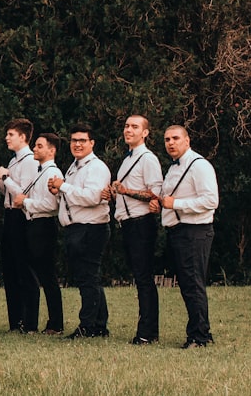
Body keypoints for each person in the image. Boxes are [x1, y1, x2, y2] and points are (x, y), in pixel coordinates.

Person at [153, 125, 219, 349]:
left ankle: (199, 337)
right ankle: (199, 333)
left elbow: (211, 201)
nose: (170, 143)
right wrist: (161, 204)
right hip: (178, 232)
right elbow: (168, 198)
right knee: (188, 284)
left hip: (195, 231)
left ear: (187, 140)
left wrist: (176, 204)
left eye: (175, 138)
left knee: (193, 284)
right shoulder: (173, 168)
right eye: (167, 139)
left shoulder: (199, 166)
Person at [48, 124, 111, 339]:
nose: (77, 144)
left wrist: (63, 186)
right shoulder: (74, 167)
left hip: (91, 227)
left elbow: (92, 197)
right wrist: (58, 190)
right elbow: (73, 197)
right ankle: (99, 325)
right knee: (88, 277)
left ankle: (88, 326)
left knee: (88, 278)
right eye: (74, 140)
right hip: (76, 228)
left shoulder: (96, 167)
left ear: (92, 143)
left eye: (82, 140)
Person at [112, 115, 163, 345]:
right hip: (128, 222)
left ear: (145, 133)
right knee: (139, 277)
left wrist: (125, 191)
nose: (128, 130)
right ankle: (146, 328)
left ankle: (147, 332)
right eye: (126, 126)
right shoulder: (127, 159)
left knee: (144, 278)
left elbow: (154, 194)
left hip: (141, 223)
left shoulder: (147, 159)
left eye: (134, 127)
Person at [12, 132, 64, 335]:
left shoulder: (53, 173)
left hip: (44, 225)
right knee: (38, 273)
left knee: (47, 276)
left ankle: (55, 323)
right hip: (33, 224)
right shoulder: (39, 171)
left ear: (51, 151)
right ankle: (33, 320)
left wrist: (25, 202)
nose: (35, 148)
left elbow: (50, 206)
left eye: (40, 146)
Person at [0, 118, 38, 332]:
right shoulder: (13, 161)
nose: (6, 138)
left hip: (22, 216)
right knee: (9, 268)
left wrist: (5, 178)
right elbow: (8, 193)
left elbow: (23, 193)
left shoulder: (29, 161)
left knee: (24, 268)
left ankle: (29, 321)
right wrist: (1, 182)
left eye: (11, 135)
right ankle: (15, 319)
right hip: (9, 215)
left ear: (22, 137)